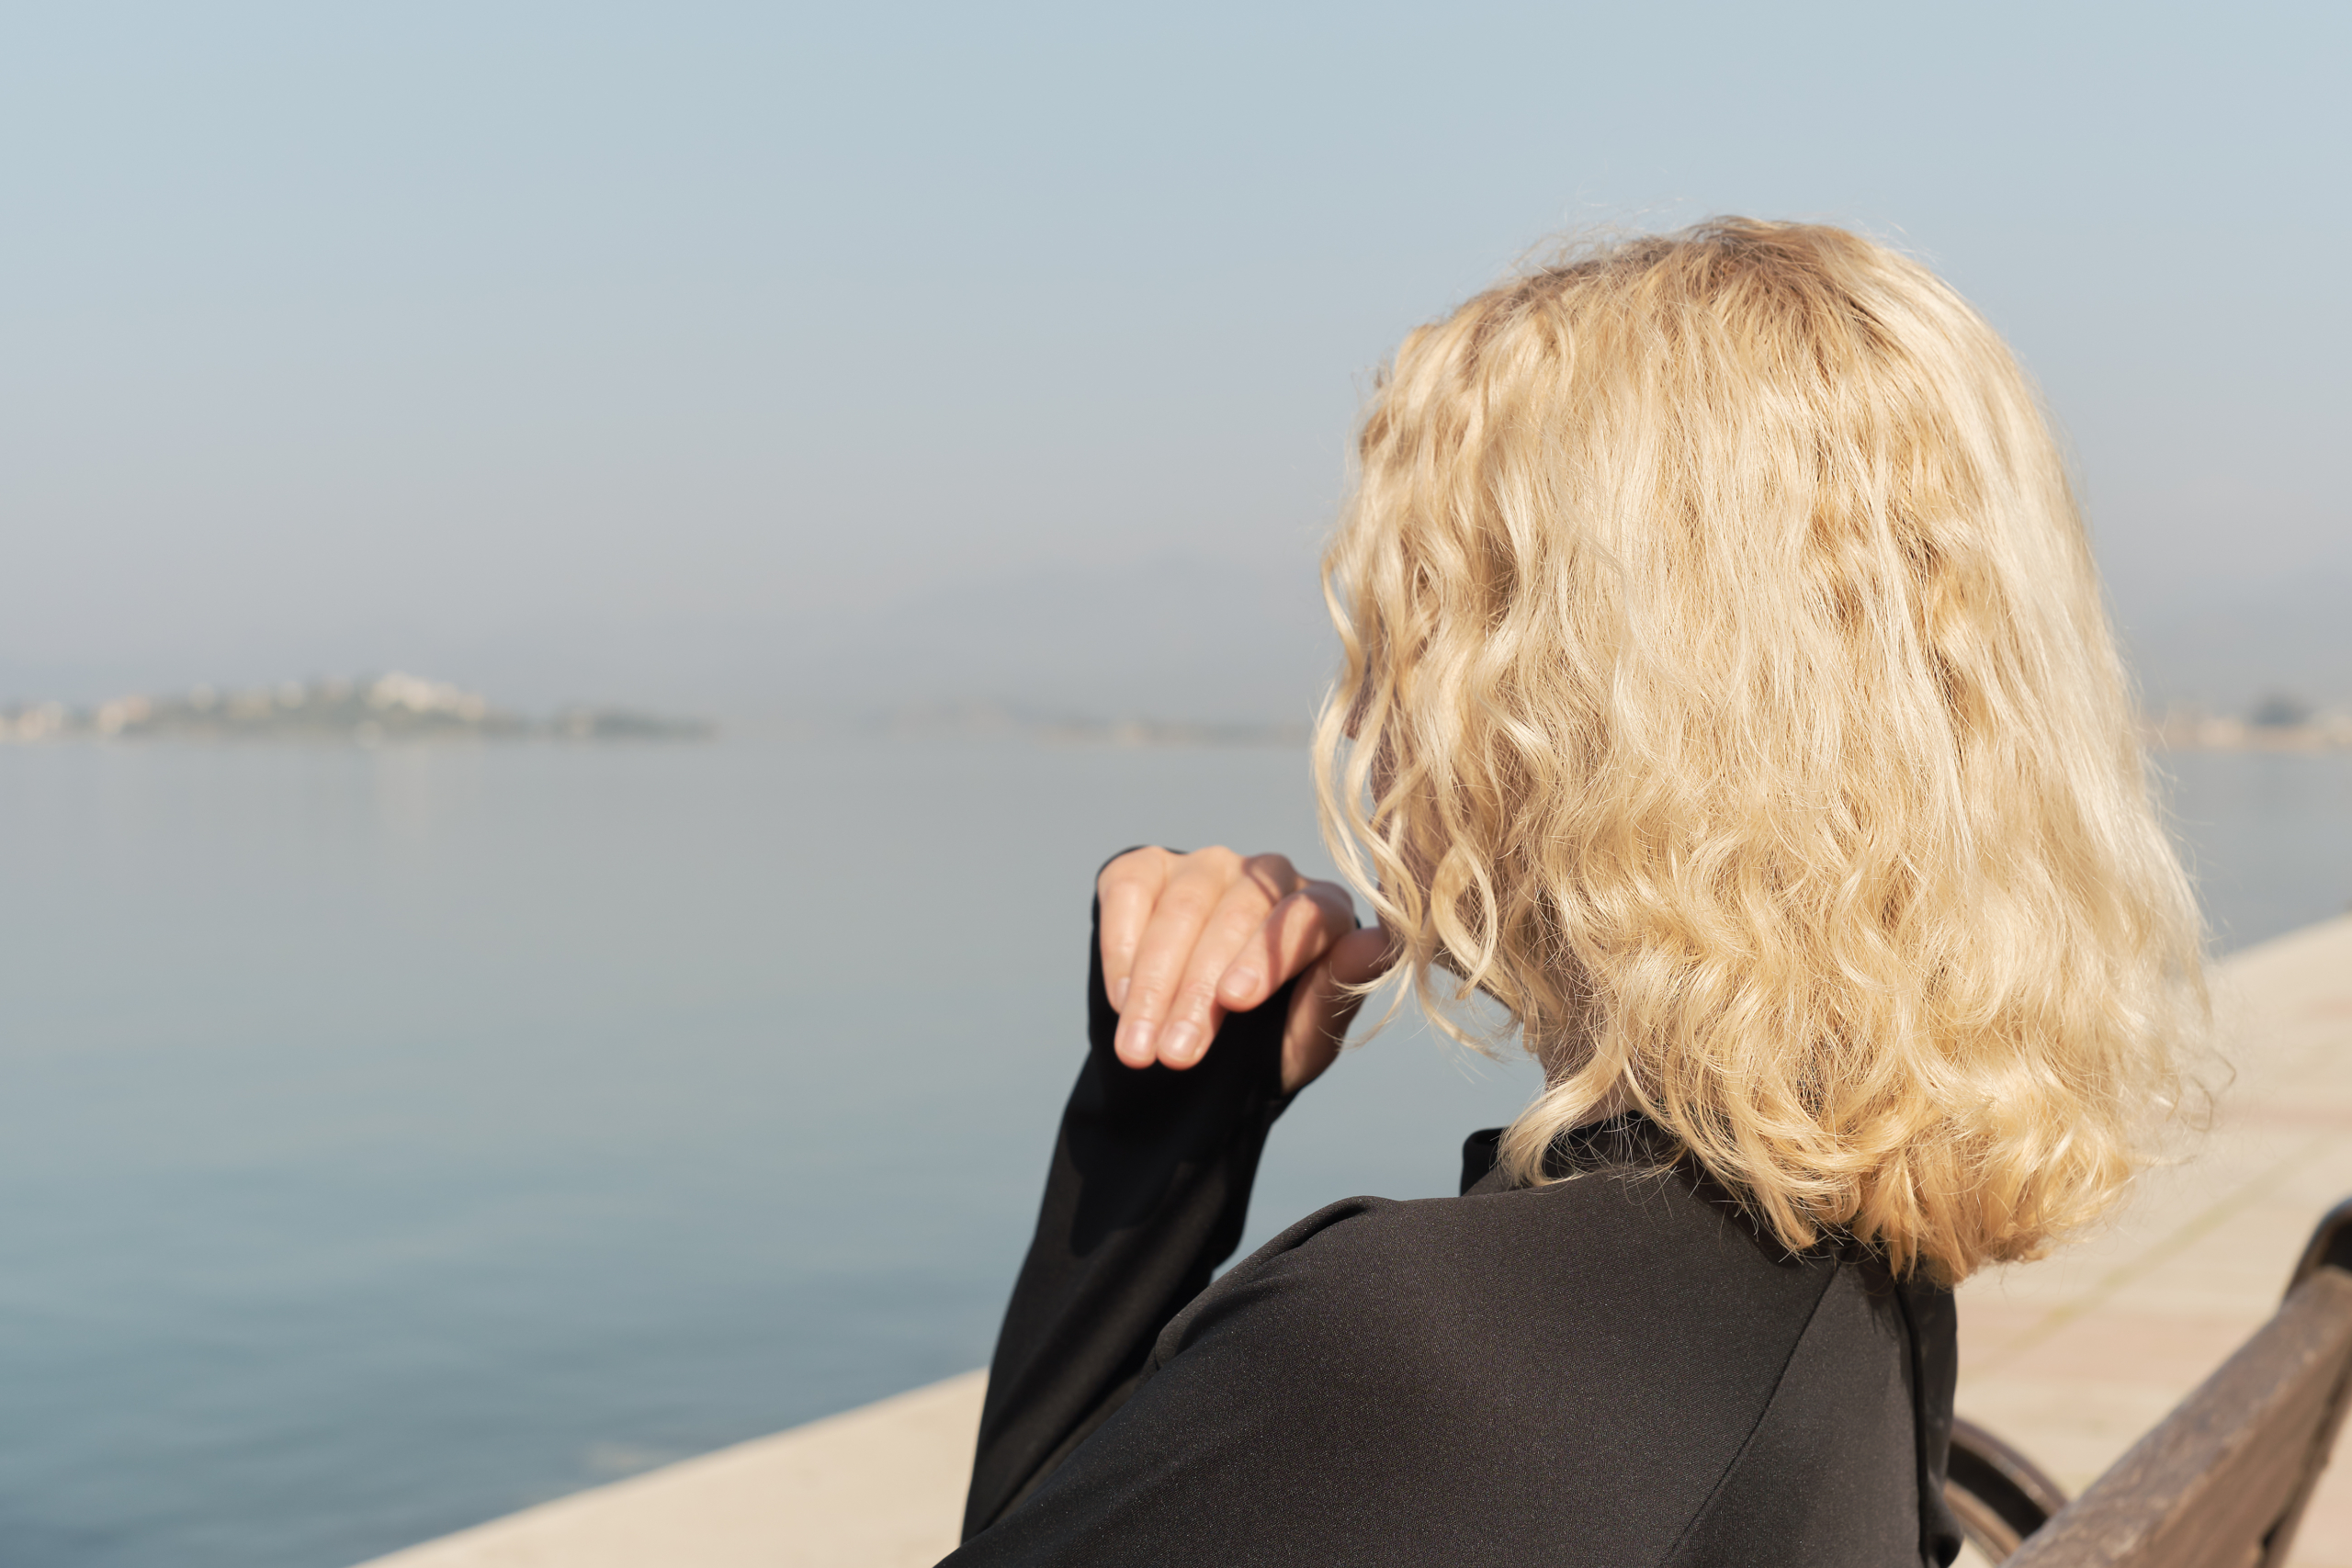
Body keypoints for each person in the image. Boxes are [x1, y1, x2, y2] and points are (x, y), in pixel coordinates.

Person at [943, 220, 2207, 1567]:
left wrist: (1151, 1127)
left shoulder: (1408, 1355)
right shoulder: (1863, 1262)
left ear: (1575, 711)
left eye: (1422, 631)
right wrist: (1181, 1109)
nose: (1366, 721)